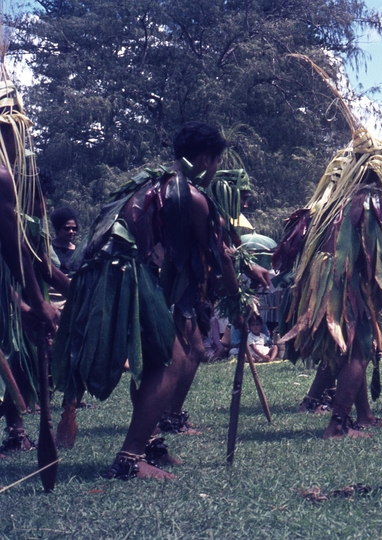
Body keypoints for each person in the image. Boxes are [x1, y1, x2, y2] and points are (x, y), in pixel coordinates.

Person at [53, 122, 266, 478]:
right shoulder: (191, 197)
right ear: (203, 158)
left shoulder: (152, 182)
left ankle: (150, 445)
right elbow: (218, 256)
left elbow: (219, 247)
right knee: (170, 361)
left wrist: (246, 267)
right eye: (215, 162)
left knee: (178, 355)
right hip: (128, 277)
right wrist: (238, 300)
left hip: (115, 275)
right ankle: (129, 460)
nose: (216, 169)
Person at [280, 128, 382, 438]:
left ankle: (364, 415)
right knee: (360, 350)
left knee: (353, 345)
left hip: (327, 277)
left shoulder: (340, 197)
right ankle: (338, 425)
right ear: (380, 168)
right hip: (345, 281)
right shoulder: (373, 198)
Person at [0, 78, 69, 457]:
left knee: (18, 351)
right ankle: (15, 427)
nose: (21, 143)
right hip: (12, 294)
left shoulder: (18, 186)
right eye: (18, 132)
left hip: (11, 293)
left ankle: (15, 428)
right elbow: (15, 249)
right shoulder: (2, 179)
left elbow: (36, 257)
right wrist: (29, 302)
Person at [49, 207, 78, 273]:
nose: (71, 231)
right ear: (58, 229)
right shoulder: (49, 248)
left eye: (74, 229)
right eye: (67, 228)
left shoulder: (77, 251)